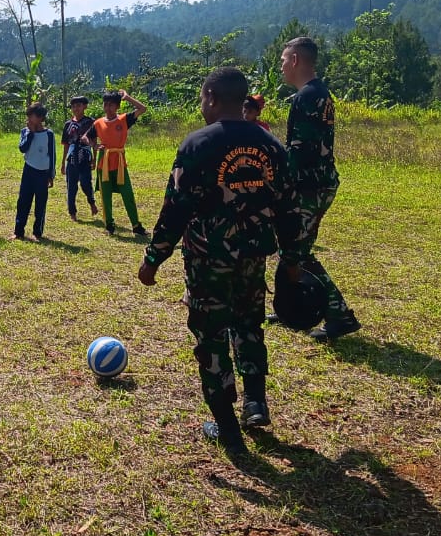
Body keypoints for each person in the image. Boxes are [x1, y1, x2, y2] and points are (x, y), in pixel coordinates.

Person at [138, 67, 312, 454]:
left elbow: (175, 210)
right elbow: (289, 207)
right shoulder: (270, 145)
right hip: (253, 258)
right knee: (249, 325)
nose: (202, 106)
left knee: (211, 334)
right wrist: (293, 258)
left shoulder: (197, 145)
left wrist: (153, 259)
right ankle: (255, 402)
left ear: (213, 97)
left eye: (202, 99)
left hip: (208, 261)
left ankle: (226, 424)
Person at [270, 37, 361, 341]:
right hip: (319, 183)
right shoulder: (320, 94)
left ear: (295, 60)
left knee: (297, 252)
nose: (281, 67)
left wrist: (282, 188)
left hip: (309, 187)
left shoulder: (306, 97)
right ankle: (288, 310)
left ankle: (340, 315)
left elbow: (301, 151)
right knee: (291, 251)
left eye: (283, 60)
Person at [92, 89, 148, 236]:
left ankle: (136, 225)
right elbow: (86, 137)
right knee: (106, 195)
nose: (107, 108)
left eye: (111, 105)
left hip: (119, 163)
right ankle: (109, 224)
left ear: (117, 106)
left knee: (127, 194)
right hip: (103, 162)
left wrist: (128, 97)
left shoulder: (124, 119)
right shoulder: (98, 123)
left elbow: (142, 109)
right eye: (105, 104)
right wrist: (95, 146)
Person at [12, 102, 55, 241]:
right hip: (29, 170)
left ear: (41, 118)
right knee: (23, 201)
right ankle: (18, 231)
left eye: (33, 116)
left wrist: (51, 175)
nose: (30, 118)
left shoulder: (48, 134)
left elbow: (52, 155)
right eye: (29, 115)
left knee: (40, 204)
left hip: (42, 173)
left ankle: (37, 232)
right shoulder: (25, 131)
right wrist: (30, 133)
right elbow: (23, 148)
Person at [60, 95, 98, 221]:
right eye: (73, 106)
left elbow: (94, 140)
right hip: (71, 158)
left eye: (79, 105)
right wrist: (62, 163)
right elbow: (66, 144)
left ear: (84, 106)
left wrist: (94, 159)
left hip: (85, 157)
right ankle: (72, 212)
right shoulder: (68, 124)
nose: (76, 108)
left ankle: (92, 202)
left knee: (86, 183)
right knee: (71, 186)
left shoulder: (90, 122)